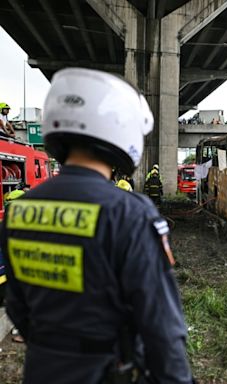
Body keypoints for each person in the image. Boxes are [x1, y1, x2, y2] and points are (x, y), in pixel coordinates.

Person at [0, 68, 192, 383]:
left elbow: (17, 306)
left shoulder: (19, 210)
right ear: (121, 127)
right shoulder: (129, 214)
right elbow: (161, 328)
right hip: (104, 371)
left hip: (41, 369)